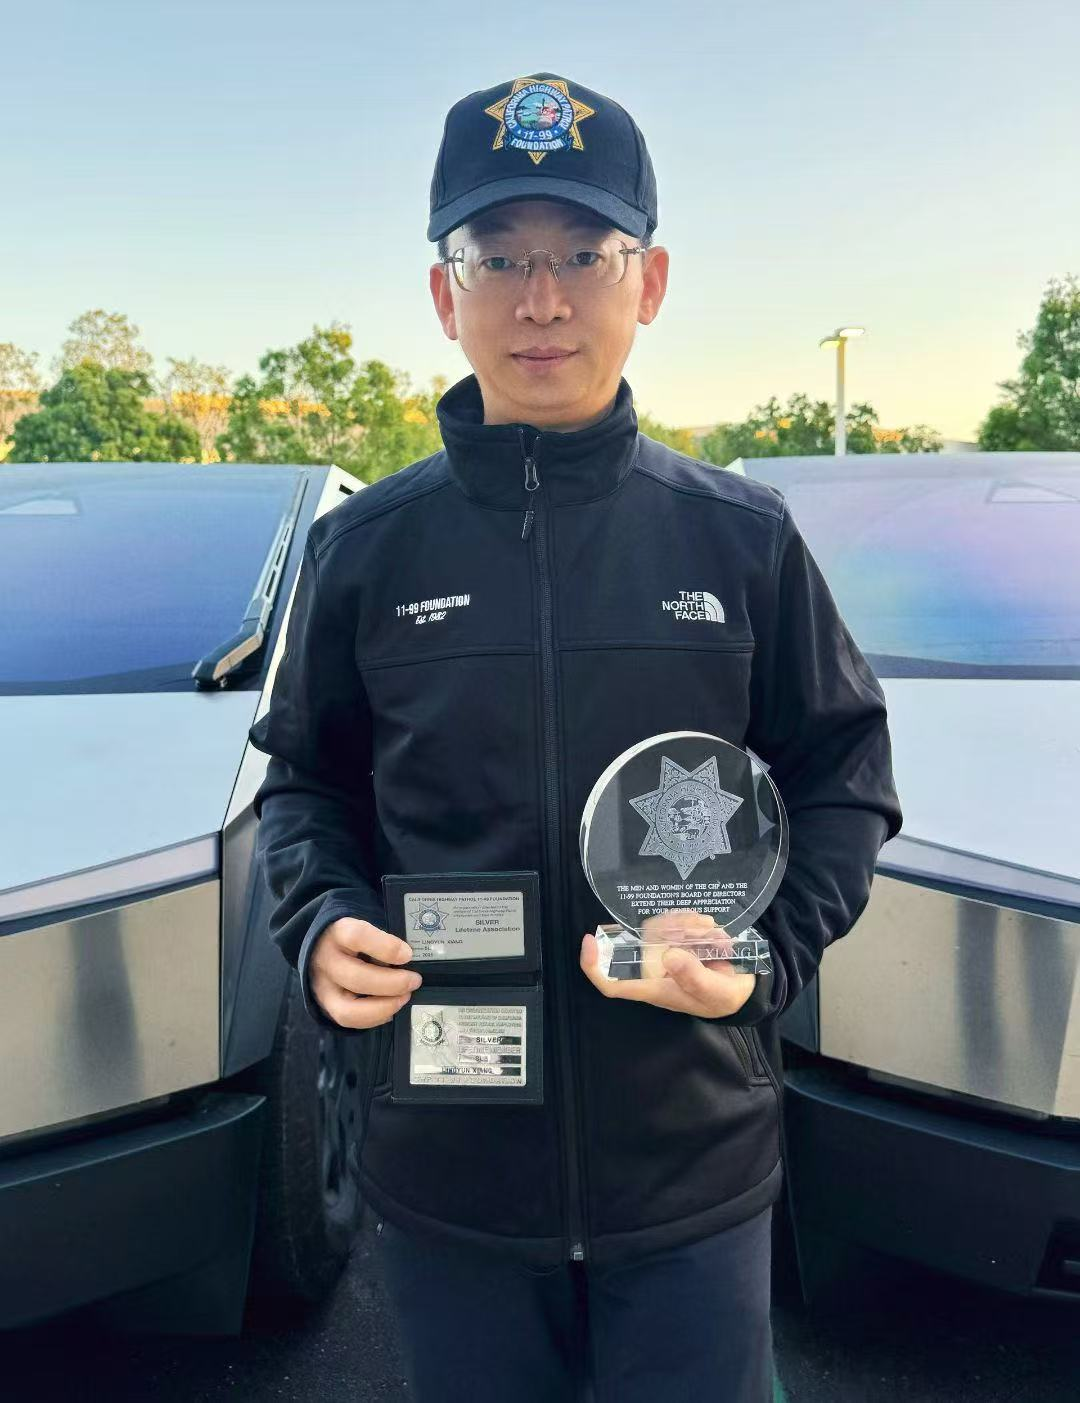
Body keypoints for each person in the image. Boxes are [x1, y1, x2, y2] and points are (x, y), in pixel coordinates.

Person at [247, 71, 903, 1403]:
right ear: (446, 295)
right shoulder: (365, 550)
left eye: (582, 255)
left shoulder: (742, 540)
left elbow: (846, 777)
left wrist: (764, 958)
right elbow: (305, 785)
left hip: (695, 1167)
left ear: (647, 281)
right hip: (448, 1177)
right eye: (497, 257)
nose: (539, 299)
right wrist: (321, 920)